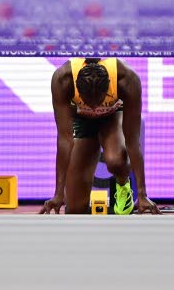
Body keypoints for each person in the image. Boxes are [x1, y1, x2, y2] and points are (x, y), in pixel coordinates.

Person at [40, 57, 160, 215]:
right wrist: (58, 194)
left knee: (116, 160)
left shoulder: (127, 79)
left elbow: (132, 142)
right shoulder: (62, 79)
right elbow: (64, 140)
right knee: (74, 208)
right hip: (81, 119)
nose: (95, 107)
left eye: (99, 100)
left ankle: (123, 186)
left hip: (113, 115)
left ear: (109, 85)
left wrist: (143, 194)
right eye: (88, 101)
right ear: (77, 85)